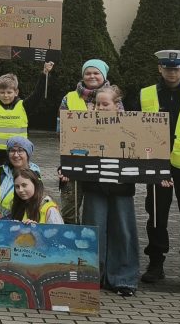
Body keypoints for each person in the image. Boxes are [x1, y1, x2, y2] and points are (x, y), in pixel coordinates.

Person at [124, 49, 180, 292]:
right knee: (156, 216)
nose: (171, 72)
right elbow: (134, 128)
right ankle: (156, 264)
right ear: (160, 69)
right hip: (156, 164)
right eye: (167, 68)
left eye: (176, 68)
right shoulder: (145, 95)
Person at [75, 85, 139, 297]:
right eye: (97, 104)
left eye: (105, 104)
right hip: (94, 186)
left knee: (123, 231)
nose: (100, 108)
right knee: (92, 230)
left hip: (121, 187)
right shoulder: (83, 125)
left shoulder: (131, 127)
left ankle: (123, 279)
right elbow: (72, 151)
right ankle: (92, 276)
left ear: (116, 105)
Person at [56, 58, 116, 224]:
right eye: (88, 73)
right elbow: (61, 133)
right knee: (69, 212)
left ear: (103, 75)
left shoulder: (114, 97)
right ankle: (71, 245)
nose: (92, 76)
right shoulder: (69, 98)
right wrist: (65, 163)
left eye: (96, 73)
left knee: (97, 213)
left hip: (102, 164)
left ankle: (94, 246)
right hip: (74, 161)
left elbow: (120, 130)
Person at [0, 56, 53, 171]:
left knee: (17, 182)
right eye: (2, 92)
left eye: (9, 92)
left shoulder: (23, 106)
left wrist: (45, 73)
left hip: (18, 153)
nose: (6, 95)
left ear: (16, 92)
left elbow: (37, 94)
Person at [0, 136, 42, 221]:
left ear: (28, 154)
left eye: (20, 150)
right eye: (12, 150)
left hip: (12, 228)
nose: (16, 155)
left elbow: (31, 206)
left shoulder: (34, 176)